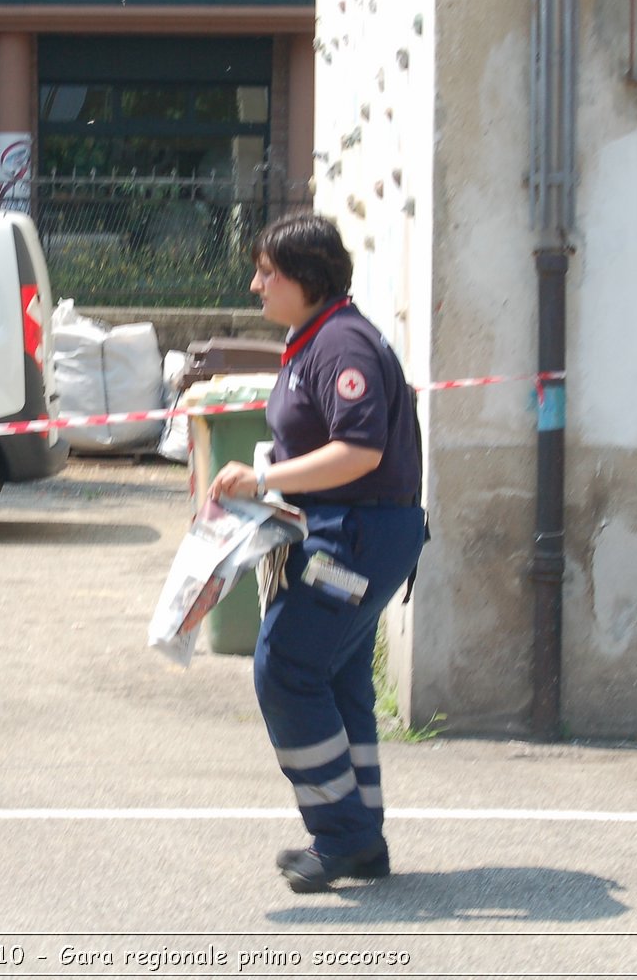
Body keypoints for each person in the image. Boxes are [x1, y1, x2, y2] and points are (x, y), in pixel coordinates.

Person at [208, 213, 425, 893]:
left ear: (307, 277)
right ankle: (360, 836)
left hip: (354, 540)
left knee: (288, 666)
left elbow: (359, 450)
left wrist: (265, 479)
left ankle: (343, 836)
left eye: (268, 272)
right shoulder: (316, 340)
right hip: (347, 531)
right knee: (336, 677)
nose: (256, 284)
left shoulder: (342, 346)